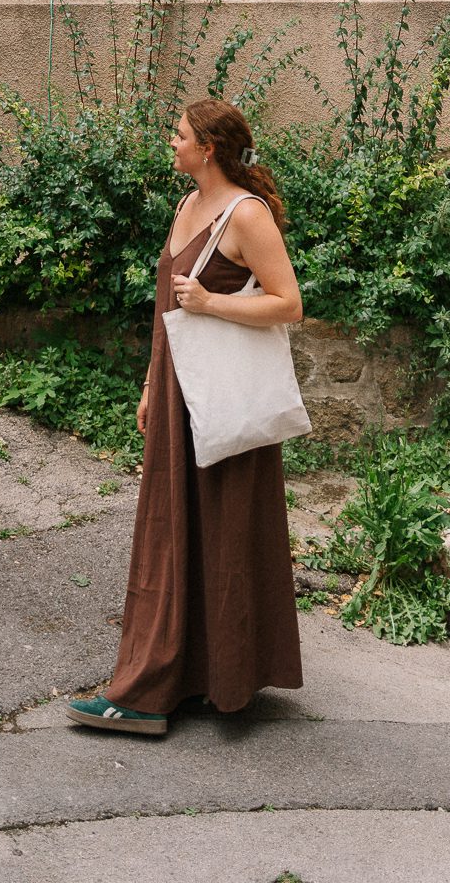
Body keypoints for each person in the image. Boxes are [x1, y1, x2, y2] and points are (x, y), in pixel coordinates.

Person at [66, 96, 304, 737]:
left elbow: (289, 305)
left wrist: (209, 304)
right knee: (176, 528)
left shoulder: (244, 215)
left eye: (178, 135)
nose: (170, 143)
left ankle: (152, 691)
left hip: (219, 395)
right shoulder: (185, 206)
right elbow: (163, 312)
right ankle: (191, 674)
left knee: (220, 528)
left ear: (209, 149)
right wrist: (149, 382)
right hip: (177, 391)